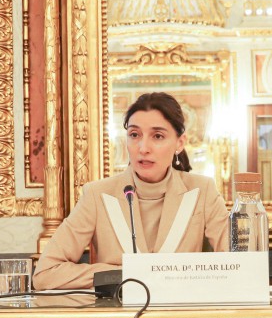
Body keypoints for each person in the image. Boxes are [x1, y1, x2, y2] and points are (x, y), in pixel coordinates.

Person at [33, 92, 230, 289]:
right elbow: (45, 274)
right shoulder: (97, 195)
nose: (143, 148)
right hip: (119, 308)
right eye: (134, 135)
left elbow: (238, 266)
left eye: (158, 136)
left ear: (179, 143)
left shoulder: (203, 191)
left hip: (183, 307)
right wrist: (123, 274)